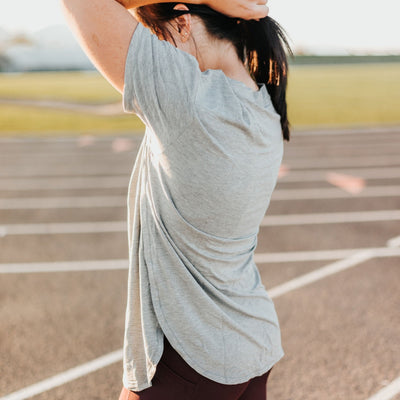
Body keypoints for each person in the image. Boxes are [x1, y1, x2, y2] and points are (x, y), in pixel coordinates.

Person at [61, 0, 291, 398]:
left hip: (191, 358)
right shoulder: (264, 106)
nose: (157, 48)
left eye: (156, 35)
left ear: (183, 22)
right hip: (251, 345)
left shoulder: (191, 101)